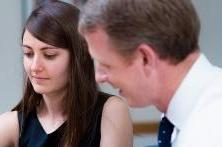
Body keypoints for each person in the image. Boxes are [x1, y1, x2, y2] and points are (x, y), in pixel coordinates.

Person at [78, 0, 222, 147]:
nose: (99, 77)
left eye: (105, 65)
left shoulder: (218, 127)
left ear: (145, 58)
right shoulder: (218, 98)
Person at [0, 1, 133, 147]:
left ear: (79, 56)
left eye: (49, 55)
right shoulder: (12, 124)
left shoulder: (111, 111)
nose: (35, 67)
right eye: (28, 53)